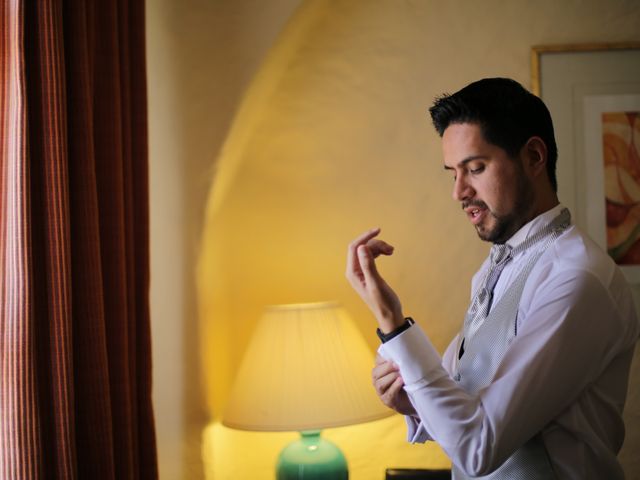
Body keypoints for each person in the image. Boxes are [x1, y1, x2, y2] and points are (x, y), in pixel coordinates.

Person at [345, 78, 640, 479]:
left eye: (475, 168)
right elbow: (464, 402)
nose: (459, 192)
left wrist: (392, 322)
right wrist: (413, 402)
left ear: (534, 157)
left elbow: (479, 444)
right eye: (453, 173)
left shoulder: (577, 279)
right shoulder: (493, 269)